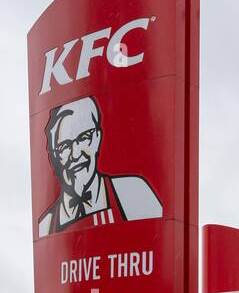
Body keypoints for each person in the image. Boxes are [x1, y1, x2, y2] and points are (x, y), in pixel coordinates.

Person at [37, 95, 162, 236]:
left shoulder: (133, 193)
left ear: (97, 138)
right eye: (64, 146)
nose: (76, 154)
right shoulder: (45, 226)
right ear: (54, 156)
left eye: (84, 137)